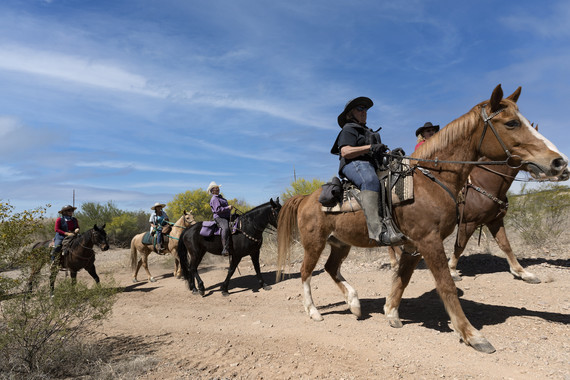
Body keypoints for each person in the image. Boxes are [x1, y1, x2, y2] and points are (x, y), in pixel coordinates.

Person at [330, 97, 406, 246]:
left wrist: (391, 155)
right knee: (370, 181)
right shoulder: (349, 129)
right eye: (359, 109)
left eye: (365, 109)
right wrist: (369, 148)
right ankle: (377, 232)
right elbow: (345, 151)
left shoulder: (369, 132)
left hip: (372, 164)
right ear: (349, 114)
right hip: (354, 163)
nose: (364, 112)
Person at [207, 181, 232, 256]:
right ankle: (225, 248)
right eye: (216, 188)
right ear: (212, 191)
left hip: (226, 216)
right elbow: (217, 210)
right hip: (220, 217)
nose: (218, 189)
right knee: (226, 228)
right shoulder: (214, 199)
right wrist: (228, 208)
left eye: (218, 188)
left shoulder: (220, 197)